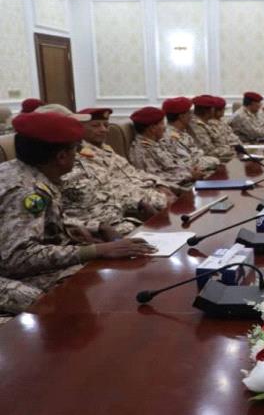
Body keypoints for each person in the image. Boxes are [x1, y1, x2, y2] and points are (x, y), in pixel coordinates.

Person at [0, 112, 155, 316]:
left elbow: (42, 224)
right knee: (67, 301)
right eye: (76, 149)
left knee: (98, 280)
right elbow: (17, 258)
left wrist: (89, 228)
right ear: (61, 157)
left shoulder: (21, 170)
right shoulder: (26, 192)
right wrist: (95, 250)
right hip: (9, 273)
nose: (79, 154)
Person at [61, 108, 171, 238]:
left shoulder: (106, 149)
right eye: (96, 126)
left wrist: (159, 183)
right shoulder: (76, 159)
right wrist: (140, 201)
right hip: (119, 211)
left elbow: (132, 172)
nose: (103, 130)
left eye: (106, 125)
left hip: (129, 204)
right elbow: (111, 189)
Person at [128, 106, 204, 186]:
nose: (165, 128)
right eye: (162, 123)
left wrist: (191, 169)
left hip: (184, 178)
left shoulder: (157, 143)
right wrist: (189, 175)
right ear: (152, 128)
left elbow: (173, 163)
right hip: (174, 187)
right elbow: (155, 178)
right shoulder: (143, 150)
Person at [162, 96, 220, 173]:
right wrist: (214, 161)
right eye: (189, 112)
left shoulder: (182, 132)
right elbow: (186, 164)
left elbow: (198, 154)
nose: (191, 115)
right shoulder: (171, 137)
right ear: (182, 116)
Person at [189, 95, 234, 162]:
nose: (214, 110)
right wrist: (230, 149)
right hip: (212, 160)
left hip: (221, 156)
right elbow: (209, 151)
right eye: (213, 108)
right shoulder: (196, 125)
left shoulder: (206, 122)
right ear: (208, 111)